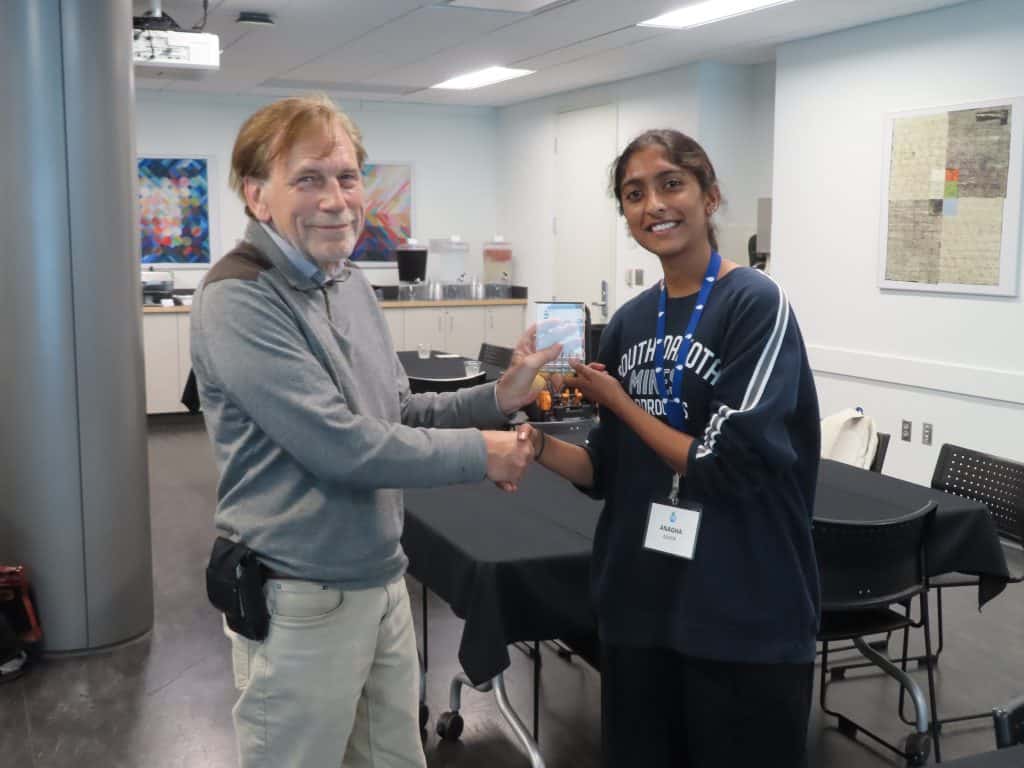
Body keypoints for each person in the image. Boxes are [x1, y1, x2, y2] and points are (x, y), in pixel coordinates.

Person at [189, 94, 556, 768]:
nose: (337, 199)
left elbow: (398, 413)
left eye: (348, 176)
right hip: (299, 600)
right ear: (257, 196)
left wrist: (498, 399)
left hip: (382, 580)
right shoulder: (238, 299)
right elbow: (342, 447)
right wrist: (485, 454)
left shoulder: (349, 283)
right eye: (308, 178)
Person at [520, 129, 821, 767]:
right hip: (642, 607)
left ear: (709, 197)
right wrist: (533, 441)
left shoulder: (756, 303)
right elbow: (605, 468)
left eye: (670, 184)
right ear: (625, 216)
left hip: (739, 610)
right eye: (634, 194)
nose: (653, 204)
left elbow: (725, 464)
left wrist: (620, 403)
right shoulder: (630, 321)